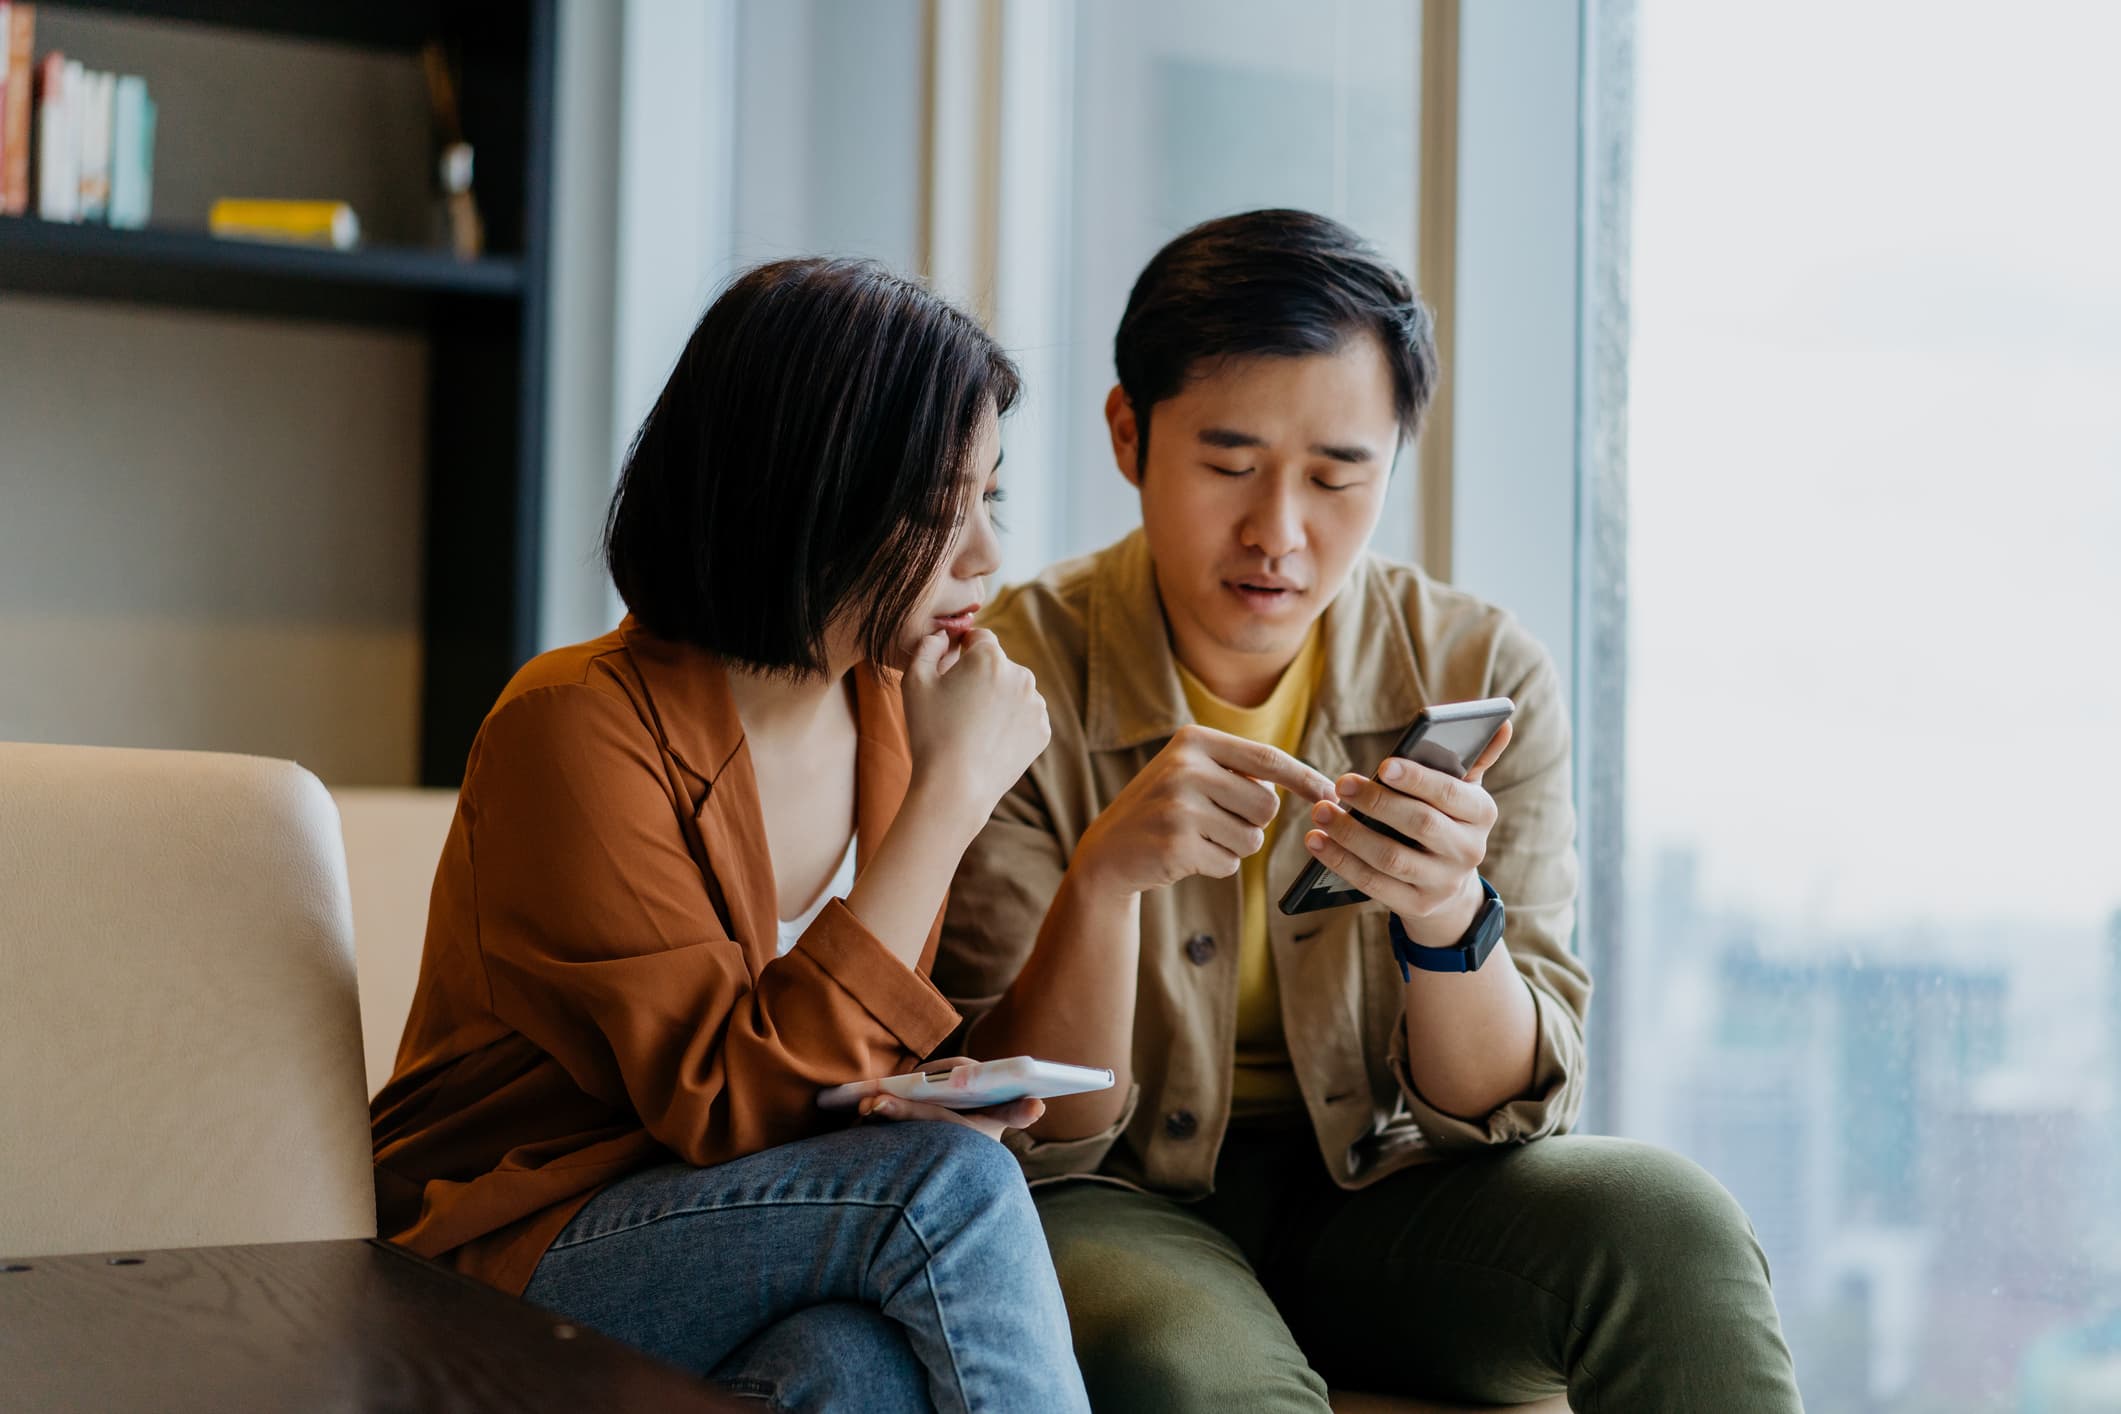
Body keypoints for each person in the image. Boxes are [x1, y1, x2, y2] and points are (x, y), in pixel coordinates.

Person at [933, 210, 1804, 1412]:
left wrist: (1448, 919)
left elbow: (1501, 1110)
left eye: (1340, 474)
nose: (1279, 533)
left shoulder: (1480, 667)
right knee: (1195, 1368)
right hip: (1106, 1196)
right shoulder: (1004, 675)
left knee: (1670, 1228)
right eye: (1229, 464)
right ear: (1130, 434)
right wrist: (1104, 882)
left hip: (1384, 1195)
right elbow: (1039, 1123)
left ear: (1395, 456)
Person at [371, 257, 1090, 1414]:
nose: (984, 557)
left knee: (852, 1369)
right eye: (934, 508)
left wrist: (899, 1095)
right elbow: (723, 1100)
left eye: (989, 501)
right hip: (506, 1250)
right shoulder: (572, 727)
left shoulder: (893, 712)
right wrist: (951, 798)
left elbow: (821, 1065)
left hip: (723, 1221)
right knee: (949, 1189)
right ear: (800, 491)